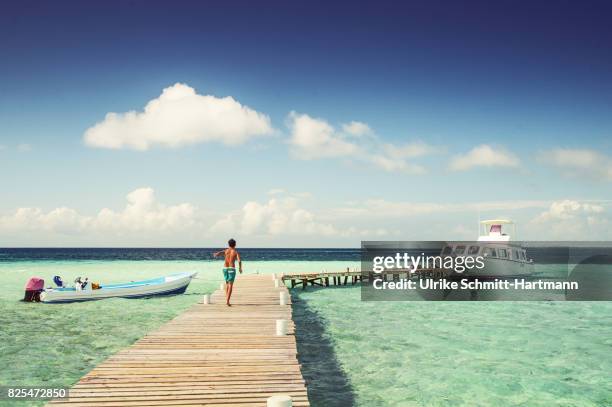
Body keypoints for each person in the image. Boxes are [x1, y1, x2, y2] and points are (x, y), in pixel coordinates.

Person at [213, 238, 242, 306]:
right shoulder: (235, 252)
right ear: (235, 245)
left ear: (228, 244)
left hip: (225, 268)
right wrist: (240, 268)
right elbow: (239, 261)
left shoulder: (226, 251)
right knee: (230, 285)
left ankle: (227, 299)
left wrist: (216, 254)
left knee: (227, 284)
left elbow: (219, 253)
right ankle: (227, 301)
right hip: (231, 269)